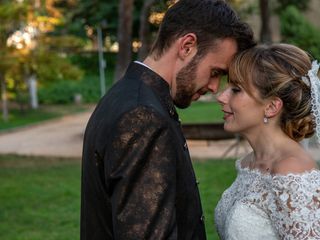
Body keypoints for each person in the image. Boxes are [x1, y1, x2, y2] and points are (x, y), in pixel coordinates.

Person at [81, 0, 255, 239]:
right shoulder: (143, 117)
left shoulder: (124, 95)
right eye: (215, 72)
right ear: (187, 46)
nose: (215, 87)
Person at [215, 43, 320, 240]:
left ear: (272, 106)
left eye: (236, 90)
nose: (221, 97)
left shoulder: (291, 170)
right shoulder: (249, 162)